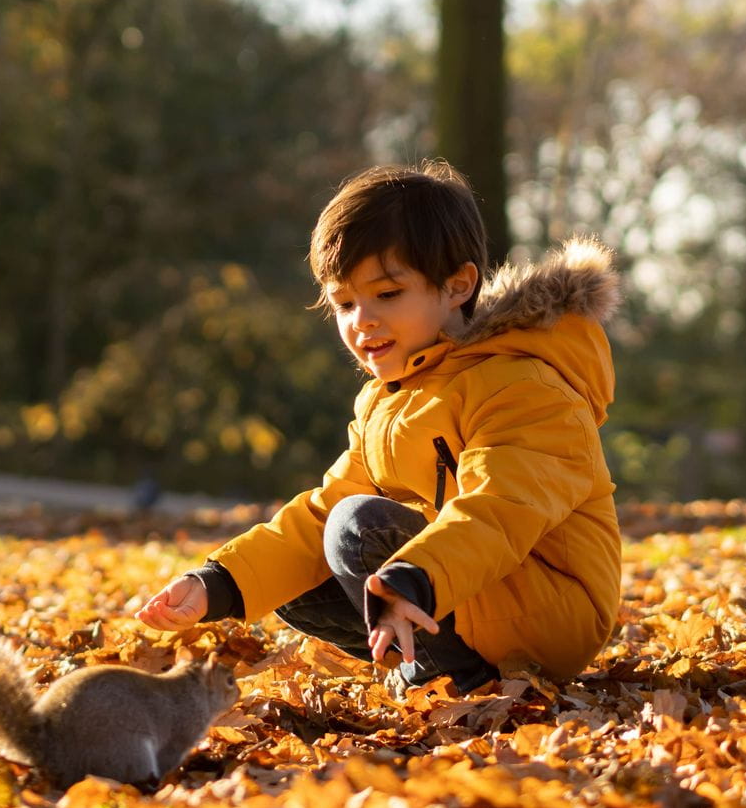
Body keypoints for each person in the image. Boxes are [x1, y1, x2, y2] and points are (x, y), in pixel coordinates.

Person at [136, 160, 622, 692]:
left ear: (458, 285)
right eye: (344, 302)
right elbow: (321, 510)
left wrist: (413, 579)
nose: (361, 320)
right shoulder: (388, 400)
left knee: (356, 527)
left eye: (387, 295)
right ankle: (444, 667)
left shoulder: (522, 385)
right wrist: (219, 583)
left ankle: (447, 672)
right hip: (453, 588)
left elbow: (499, 513)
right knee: (297, 568)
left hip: (546, 611)